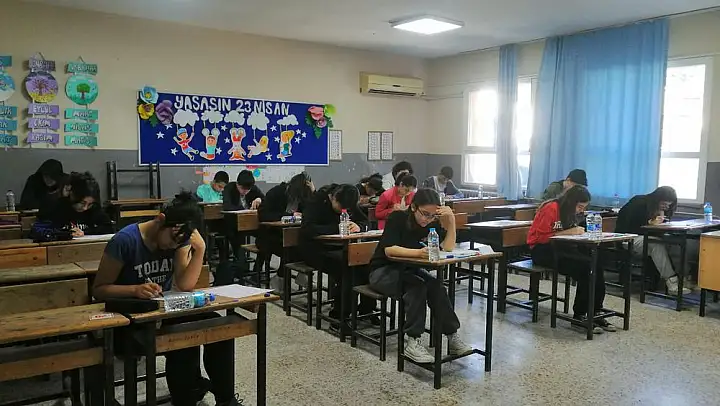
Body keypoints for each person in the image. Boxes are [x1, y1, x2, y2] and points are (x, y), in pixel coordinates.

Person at [93, 192, 240, 406]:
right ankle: (186, 399)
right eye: (172, 240)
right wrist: (134, 289)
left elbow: (185, 285)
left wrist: (200, 250)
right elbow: (99, 290)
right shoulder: (125, 241)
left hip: (161, 311)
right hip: (129, 319)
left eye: (179, 243)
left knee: (219, 327)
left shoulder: (178, 239)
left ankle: (226, 400)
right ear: (161, 220)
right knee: (183, 339)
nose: (173, 247)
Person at [368, 188, 472, 363]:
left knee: (437, 287)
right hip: (383, 272)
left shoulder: (432, 224)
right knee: (417, 287)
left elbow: (447, 247)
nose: (427, 219)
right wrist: (418, 253)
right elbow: (389, 250)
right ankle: (413, 341)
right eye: (424, 214)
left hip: (409, 270)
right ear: (414, 207)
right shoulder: (398, 218)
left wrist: (451, 221)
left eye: (432, 216)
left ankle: (452, 336)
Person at [528, 185, 615, 334]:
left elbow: (569, 235)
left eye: (584, 208)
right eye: (580, 207)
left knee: (596, 265)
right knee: (586, 269)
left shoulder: (571, 213)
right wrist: (570, 231)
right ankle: (579, 315)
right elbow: (541, 238)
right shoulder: (551, 208)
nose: (581, 210)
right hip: (542, 251)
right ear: (571, 202)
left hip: (562, 249)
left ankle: (596, 311)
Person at [300, 183, 375, 328]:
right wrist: (338, 228)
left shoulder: (347, 200)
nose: (343, 211)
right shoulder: (316, 202)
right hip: (315, 250)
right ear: (332, 198)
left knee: (365, 264)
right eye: (340, 208)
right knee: (347, 269)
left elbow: (366, 222)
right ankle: (339, 315)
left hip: (339, 248)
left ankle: (366, 309)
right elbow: (307, 229)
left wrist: (359, 227)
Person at [615, 186, 690, 295]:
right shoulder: (638, 202)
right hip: (627, 238)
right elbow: (627, 227)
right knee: (656, 245)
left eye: (669, 205)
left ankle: (684, 278)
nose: (666, 207)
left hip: (647, 237)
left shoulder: (662, 210)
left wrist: (661, 220)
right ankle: (672, 283)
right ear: (656, 199)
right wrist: (649, 223)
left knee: (676, 243)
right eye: (664, 204)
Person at [259, 172, 315, 291]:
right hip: (270, 235)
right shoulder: (276, 192)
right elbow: (263, 215)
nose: (298, 200)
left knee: (306, 245)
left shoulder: (303, 196)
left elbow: (312, 212)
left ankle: (297, 275)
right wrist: (289, 215)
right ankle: (281, 277)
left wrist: (313, 192)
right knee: (290, 249)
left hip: (291, 235)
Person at [36, 171, 112, 236]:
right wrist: (66, 233)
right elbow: (37, 231)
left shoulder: (94, 208)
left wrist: (85, 232)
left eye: (89, 204)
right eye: (82, 203)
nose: (85, 208)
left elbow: (109, 228)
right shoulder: (55, 207)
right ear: (72, 195)